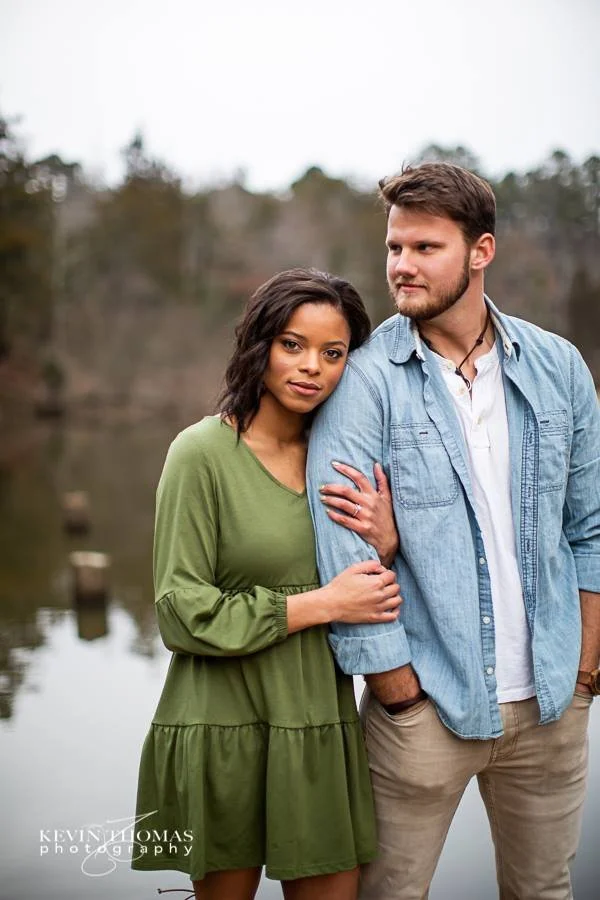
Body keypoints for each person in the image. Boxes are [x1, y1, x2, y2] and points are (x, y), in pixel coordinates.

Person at [307, 163, 600, 899]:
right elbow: (344, 551)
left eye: (425, 247)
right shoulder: (365, 381)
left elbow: (592, 527)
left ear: (481, 251)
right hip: (426, 710)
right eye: (394, 247)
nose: (401, 265)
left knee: (545, 890)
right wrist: (399, 695)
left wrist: (585, 672)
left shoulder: (559, 367)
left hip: (553, 704)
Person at [132, 268, 403, 900]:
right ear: (259, 345)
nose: (312, 367)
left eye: (333, 353)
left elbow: (373, 592)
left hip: (319, 726)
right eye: (292, 344)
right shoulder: (200, 453)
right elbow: (181, 611)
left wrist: (388, 545)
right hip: (224, 728)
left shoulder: (344, 457)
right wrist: (322, 603)